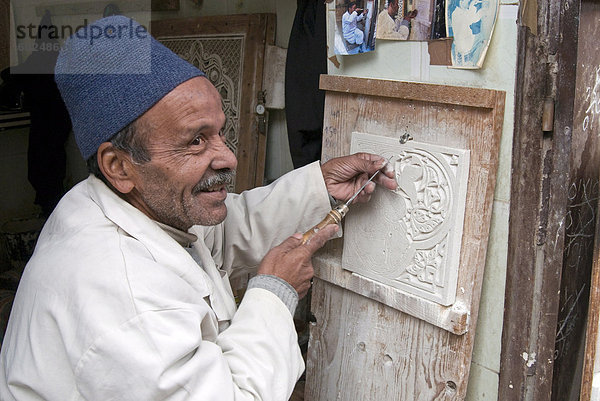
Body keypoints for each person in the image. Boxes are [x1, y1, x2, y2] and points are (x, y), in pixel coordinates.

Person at [0, 15, 397, 401]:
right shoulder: (120, 296)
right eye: (195, 141)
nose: (229, 158)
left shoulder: (124, 204)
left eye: (219, 132)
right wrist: (275, 294)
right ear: (119, 167)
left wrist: (320, 187)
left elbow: (220, 234)